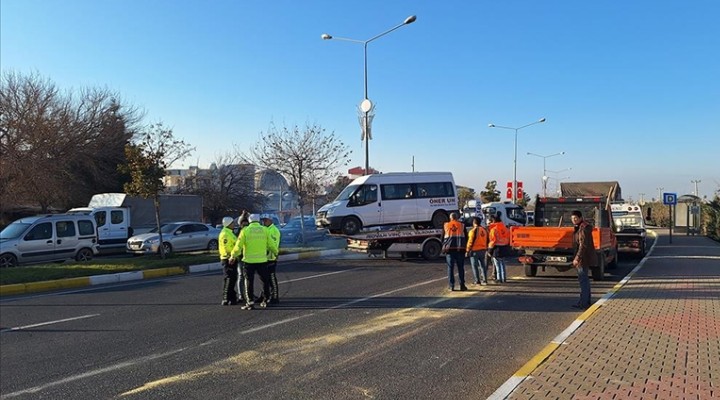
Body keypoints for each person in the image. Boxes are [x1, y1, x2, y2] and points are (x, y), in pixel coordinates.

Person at [230, 213, 278, 310]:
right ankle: (265, 300)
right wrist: (275, 253)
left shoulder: (245, 231)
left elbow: (238, 246)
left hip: (249, 261)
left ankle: (250, 302)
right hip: (262, 260)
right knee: (264, 281)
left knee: (249, 282)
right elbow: (271, 245)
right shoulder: (265, 230)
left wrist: (232, 256)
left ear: (250, 221)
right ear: (258, 220)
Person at [571, 210, 595, 309]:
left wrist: (577, 258)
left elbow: (583, 245)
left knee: (583, 280)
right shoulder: (581, 227)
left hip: (582, 258)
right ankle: (585, 301)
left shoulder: (583, 229)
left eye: (576, 218)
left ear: (581, 218)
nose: (574, 220)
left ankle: (584, 303)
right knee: (585, 280)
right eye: (572, 218)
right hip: (584, 257)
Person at [443, 212, 467, 291]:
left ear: (450, 218)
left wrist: (443, 247)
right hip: (460, 249)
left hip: (449, 250)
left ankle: (451, 286)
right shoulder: (462, 225)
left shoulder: (446, 225)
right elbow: (466, 237)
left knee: (450, 268)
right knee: (461, 268)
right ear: (457, 218)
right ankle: (462, 285)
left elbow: (442, 237)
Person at [261, 213, 281, 304]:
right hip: (263, 258)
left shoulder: (274, 230)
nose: (264, 222)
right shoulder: (264, 229)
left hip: (271, 257)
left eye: (265, 220)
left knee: (272, 278)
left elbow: (273, 244)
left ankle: (275, 296)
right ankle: (264, 295)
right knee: (264, 279)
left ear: (270, 220)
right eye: (263, 220)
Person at [218, 216, 238, 305]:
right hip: (228, 259)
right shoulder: (225, 234)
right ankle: (226, 298)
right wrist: (230, 256)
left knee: (233, 279)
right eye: (232, 223)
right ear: (228, 224)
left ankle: (232, 298)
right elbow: (226, 248)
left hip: (232, 258)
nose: (234, 224)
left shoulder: (230, 232)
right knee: (228, 279)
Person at [466, 216, 489, 285]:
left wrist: (467, 250)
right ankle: (485, 280)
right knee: (483, 266)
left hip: (474, 251)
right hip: (483, 250)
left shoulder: (473, 231)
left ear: (474, 222)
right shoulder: (484, 230)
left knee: (475, 266)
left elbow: (470, 242)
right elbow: (487, 239)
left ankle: (477, 280)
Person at [488, 215, 510, 283]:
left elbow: (492, 241)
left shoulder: (493, 229)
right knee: (503, 265)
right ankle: (504, 279)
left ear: (493, 221)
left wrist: (489, 251)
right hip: (504, 247)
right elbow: (508, 238)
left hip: (496, 249)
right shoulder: (505, 228)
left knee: (497, 266)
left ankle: (499, 279)